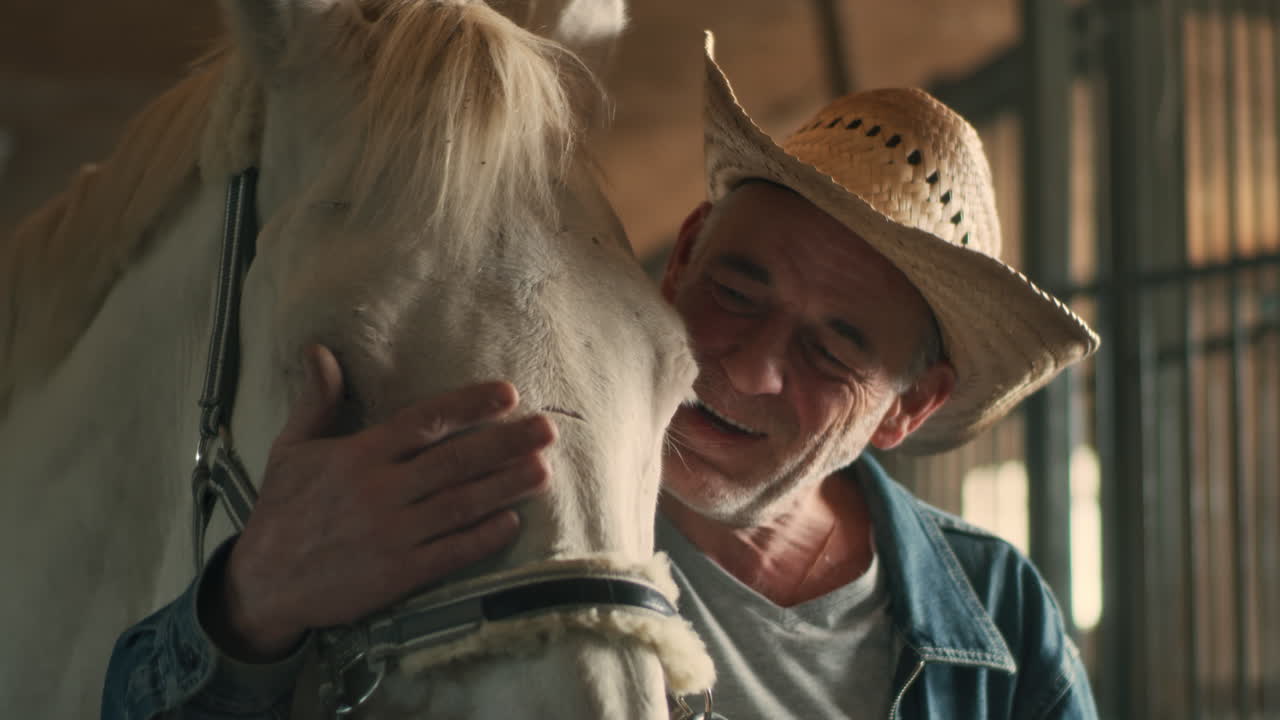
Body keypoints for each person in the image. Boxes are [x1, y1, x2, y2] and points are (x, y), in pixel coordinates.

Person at [101, 39, 1100, 720]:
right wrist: (252, 602)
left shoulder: (995, 612)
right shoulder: (484, 498)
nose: (745, 365)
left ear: (909, 407)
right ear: (686, 253)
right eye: (736, 291)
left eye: (832, 351)